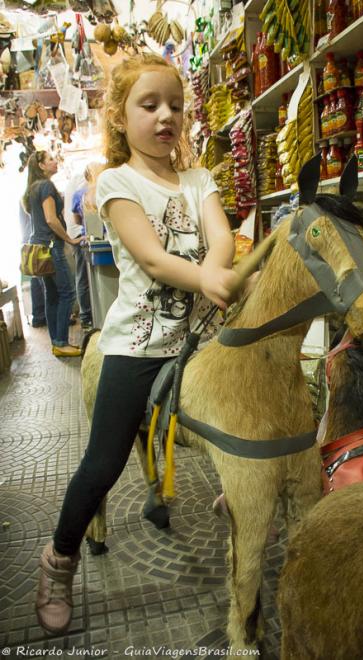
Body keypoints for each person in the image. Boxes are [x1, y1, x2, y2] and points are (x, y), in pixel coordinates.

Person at [35, 53, 242, 635]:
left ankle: (240, 497)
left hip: (200, 342)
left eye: (175, 105)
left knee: (248, 415)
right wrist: (205, 276)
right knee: (103, 464)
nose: (165, 116)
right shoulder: (116, 181)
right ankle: (58, 561)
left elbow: (220, 237)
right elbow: (151, 255)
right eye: (148, 105)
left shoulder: (199, 179)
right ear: (121, 118)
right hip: (138, 346)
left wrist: (219, 269)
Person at [23, 151, 83, 357]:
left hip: (38, 247)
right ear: (40, 165)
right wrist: (70, 239)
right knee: (67, 293)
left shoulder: (32, 189)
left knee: (52, 295)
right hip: (50, 247)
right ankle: (61, 342)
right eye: (50, 160)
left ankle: (56, 342)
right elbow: (50, 219)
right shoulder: (46, 186)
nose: (54, 161)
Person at [70, 165, 97, 330]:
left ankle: (86, 316)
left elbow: (77, 220)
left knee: (83, 278)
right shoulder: (99, 190)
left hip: (85, 238)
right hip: (99, 240)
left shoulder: (78, 194)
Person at [18, 199, 46, 328]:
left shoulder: (24, 197)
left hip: (27, 242)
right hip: (36, 242)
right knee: (43, 280)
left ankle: (38, 315)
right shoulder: (31, 196)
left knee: (36, 279)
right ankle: (41, 315)